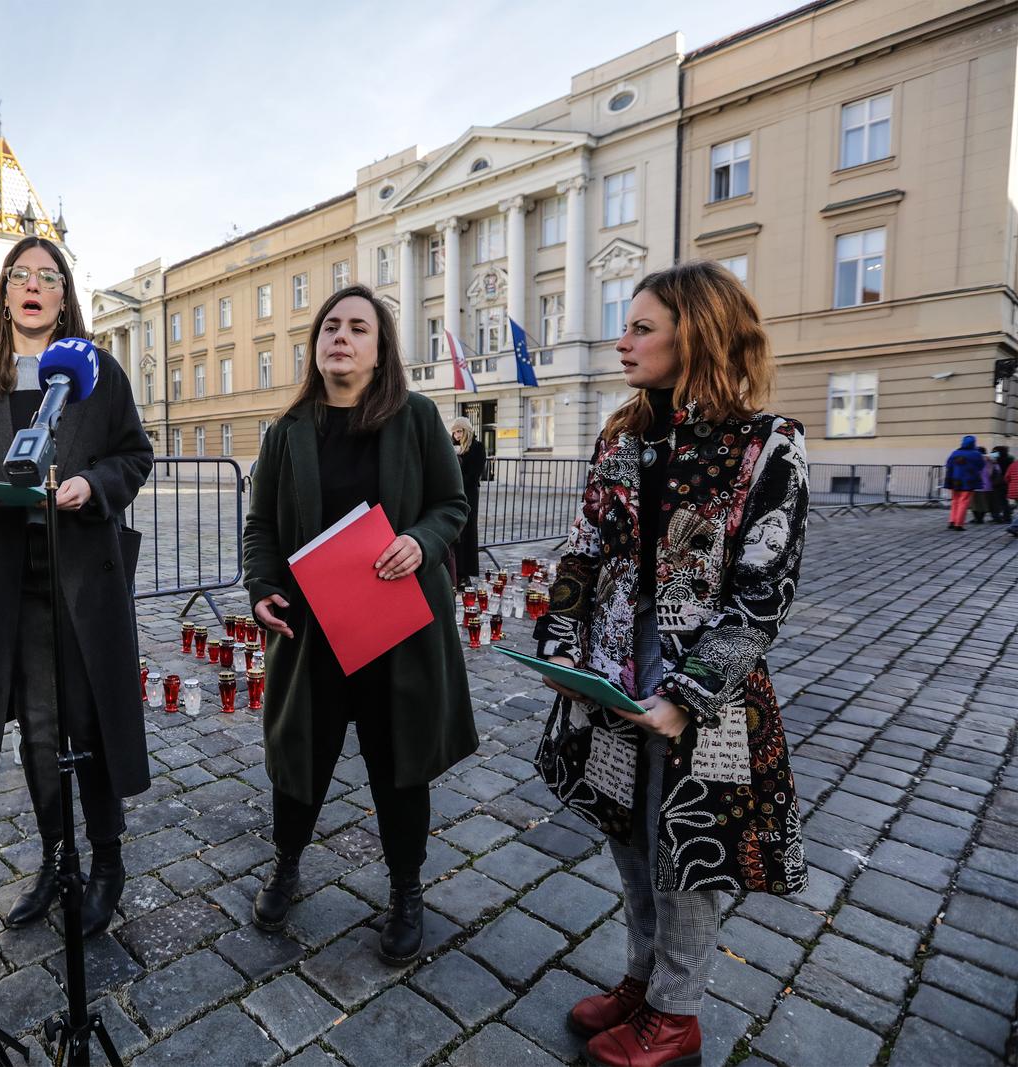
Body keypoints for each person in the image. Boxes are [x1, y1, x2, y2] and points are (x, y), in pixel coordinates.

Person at [534, 261, 809, 1067]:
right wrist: (559, 644)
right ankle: (643, 977)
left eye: (641, 328)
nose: (621, 341)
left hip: (709, 694)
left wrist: (686, 698)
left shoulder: (767, 445)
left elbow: (764, 594)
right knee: (627, 826)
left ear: (698, 333)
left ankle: (677, 1016)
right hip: (615, 665)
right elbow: (584, 549)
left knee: (684, 844)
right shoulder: (623, 436)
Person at [243, 284, 476, 965]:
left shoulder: (418, 417)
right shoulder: (287, 432)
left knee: (399, 764)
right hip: (312, 630)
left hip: (396, 627)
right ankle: (287, 864)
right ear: (315, 346)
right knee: (300, 759)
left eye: (357, 328)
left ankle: (407, 888)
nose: (341, 337)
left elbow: (450, 504)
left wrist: (423, 541)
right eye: (330, 327)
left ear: (380, 351)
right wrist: (261, 587)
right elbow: (260, 528)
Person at [0, 236, 152, 937]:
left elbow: (134, 454)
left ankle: (107, 859)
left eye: (49, 276)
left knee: (88, 722)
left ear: (65, 296)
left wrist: (92, 484)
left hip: (82, 576)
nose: (33, 285)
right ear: (3, 293)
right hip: (14, 583)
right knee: (38, 732)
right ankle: (55, 856)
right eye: (20, 275)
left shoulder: (100, 372)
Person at [449, 416, 486, 589]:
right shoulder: (451, 446)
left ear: (466, 431)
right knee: (454, 533)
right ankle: (454, 571)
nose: (456, 435)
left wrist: (457, 479)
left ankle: (465, 574)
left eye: (459, 431)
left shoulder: (477, 447)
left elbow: (474, 474)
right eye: (454, 431)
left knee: (468, 532)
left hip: (469, 494)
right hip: (453, 494)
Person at [944, 435, 984, 530]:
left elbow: (948, 465)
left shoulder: (955, 453)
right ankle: (959, 524)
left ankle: (952, 521)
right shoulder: (976, 454)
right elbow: (981, 466)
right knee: (964, 502)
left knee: (955, 501)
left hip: (955, 480)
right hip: (968, 480)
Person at [991, 445, 1014, 524]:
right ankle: (1007, 517)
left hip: (998, 482)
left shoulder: (996, 460)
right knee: (1004, 501)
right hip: (1006, 482)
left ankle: (998, 517)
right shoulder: (1009, 459)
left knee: (997, 501)